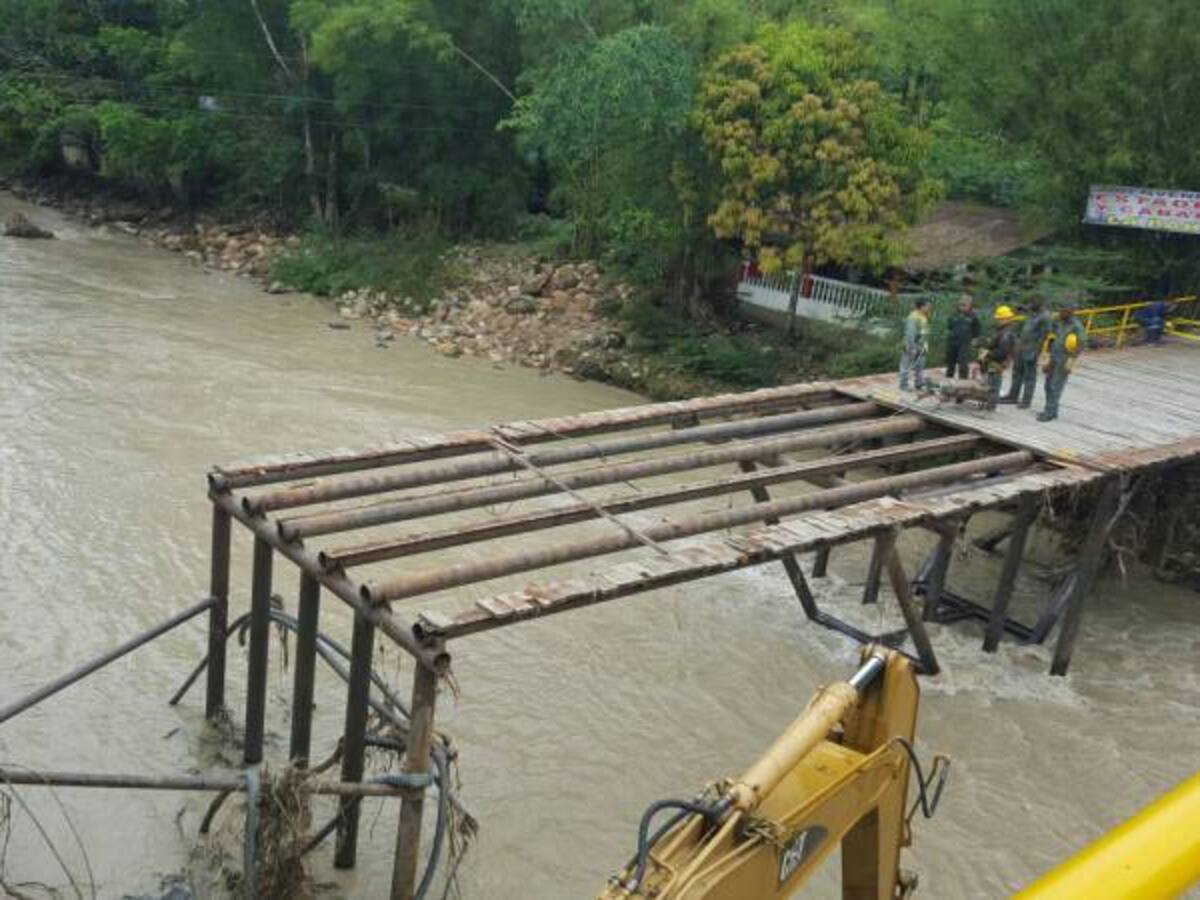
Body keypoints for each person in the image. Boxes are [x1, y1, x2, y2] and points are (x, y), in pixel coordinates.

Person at [1037, 304, 1086, 422]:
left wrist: (1070, 364)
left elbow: (1081, 345)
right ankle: (1053, 410)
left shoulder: (1076, 326)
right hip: (1054, 356)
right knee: (1048, 384)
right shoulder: (1059, 322)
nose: (1060, 313)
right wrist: (1046, 358)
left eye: (1062, 311)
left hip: (1065, 359)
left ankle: (1049, 412)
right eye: (1060, 311)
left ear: (1070, 312)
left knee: (1056, 386)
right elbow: (1051, 335)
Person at [1002, 295, 1052, 408]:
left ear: (1040, 303)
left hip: (1032, 349)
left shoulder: (1045, 317)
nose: (1030, 304)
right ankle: (1012, 396)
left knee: (1029, 376)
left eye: (1032, 302)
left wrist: (1037, 352)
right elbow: (1024, 309)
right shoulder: (1033, 312)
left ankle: (1026, 401)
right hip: (1021, 347)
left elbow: (1044, 337)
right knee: (1016, 372)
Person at [978, 305, 1017, 410]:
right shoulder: (1002, 331)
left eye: (999, 319)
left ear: (1006, 319)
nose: (997, 321)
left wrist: (987, 353)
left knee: (993, 386)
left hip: (996, 362)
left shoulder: (1006, 334)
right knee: (991, 384)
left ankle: (990, 407)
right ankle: (989, 404)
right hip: (993, 361)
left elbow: (1002, 352)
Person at [944, 294, 981, 379]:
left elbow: (977, 329)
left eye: (964, 305)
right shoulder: (954, 314)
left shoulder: (973, 316)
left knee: (963, 363)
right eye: (961, 304)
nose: (962, 306)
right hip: (952, 341)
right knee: (950, 363)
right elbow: (949, 326)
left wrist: (975, 339)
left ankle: (963, 382)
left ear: (970, 305)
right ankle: (949, 380)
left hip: (965, 343)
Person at [899, 298, 932, 391]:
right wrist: (912, 347)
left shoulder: (924, 316)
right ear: (921, 306)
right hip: (912, 345)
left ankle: (919, 383)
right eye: (927, 306)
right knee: (906, 365)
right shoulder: (913, 317)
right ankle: (903, 384)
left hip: (922, 346)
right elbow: (910, 334)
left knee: (920, 366)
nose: (929, 308)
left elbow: (924, 331)